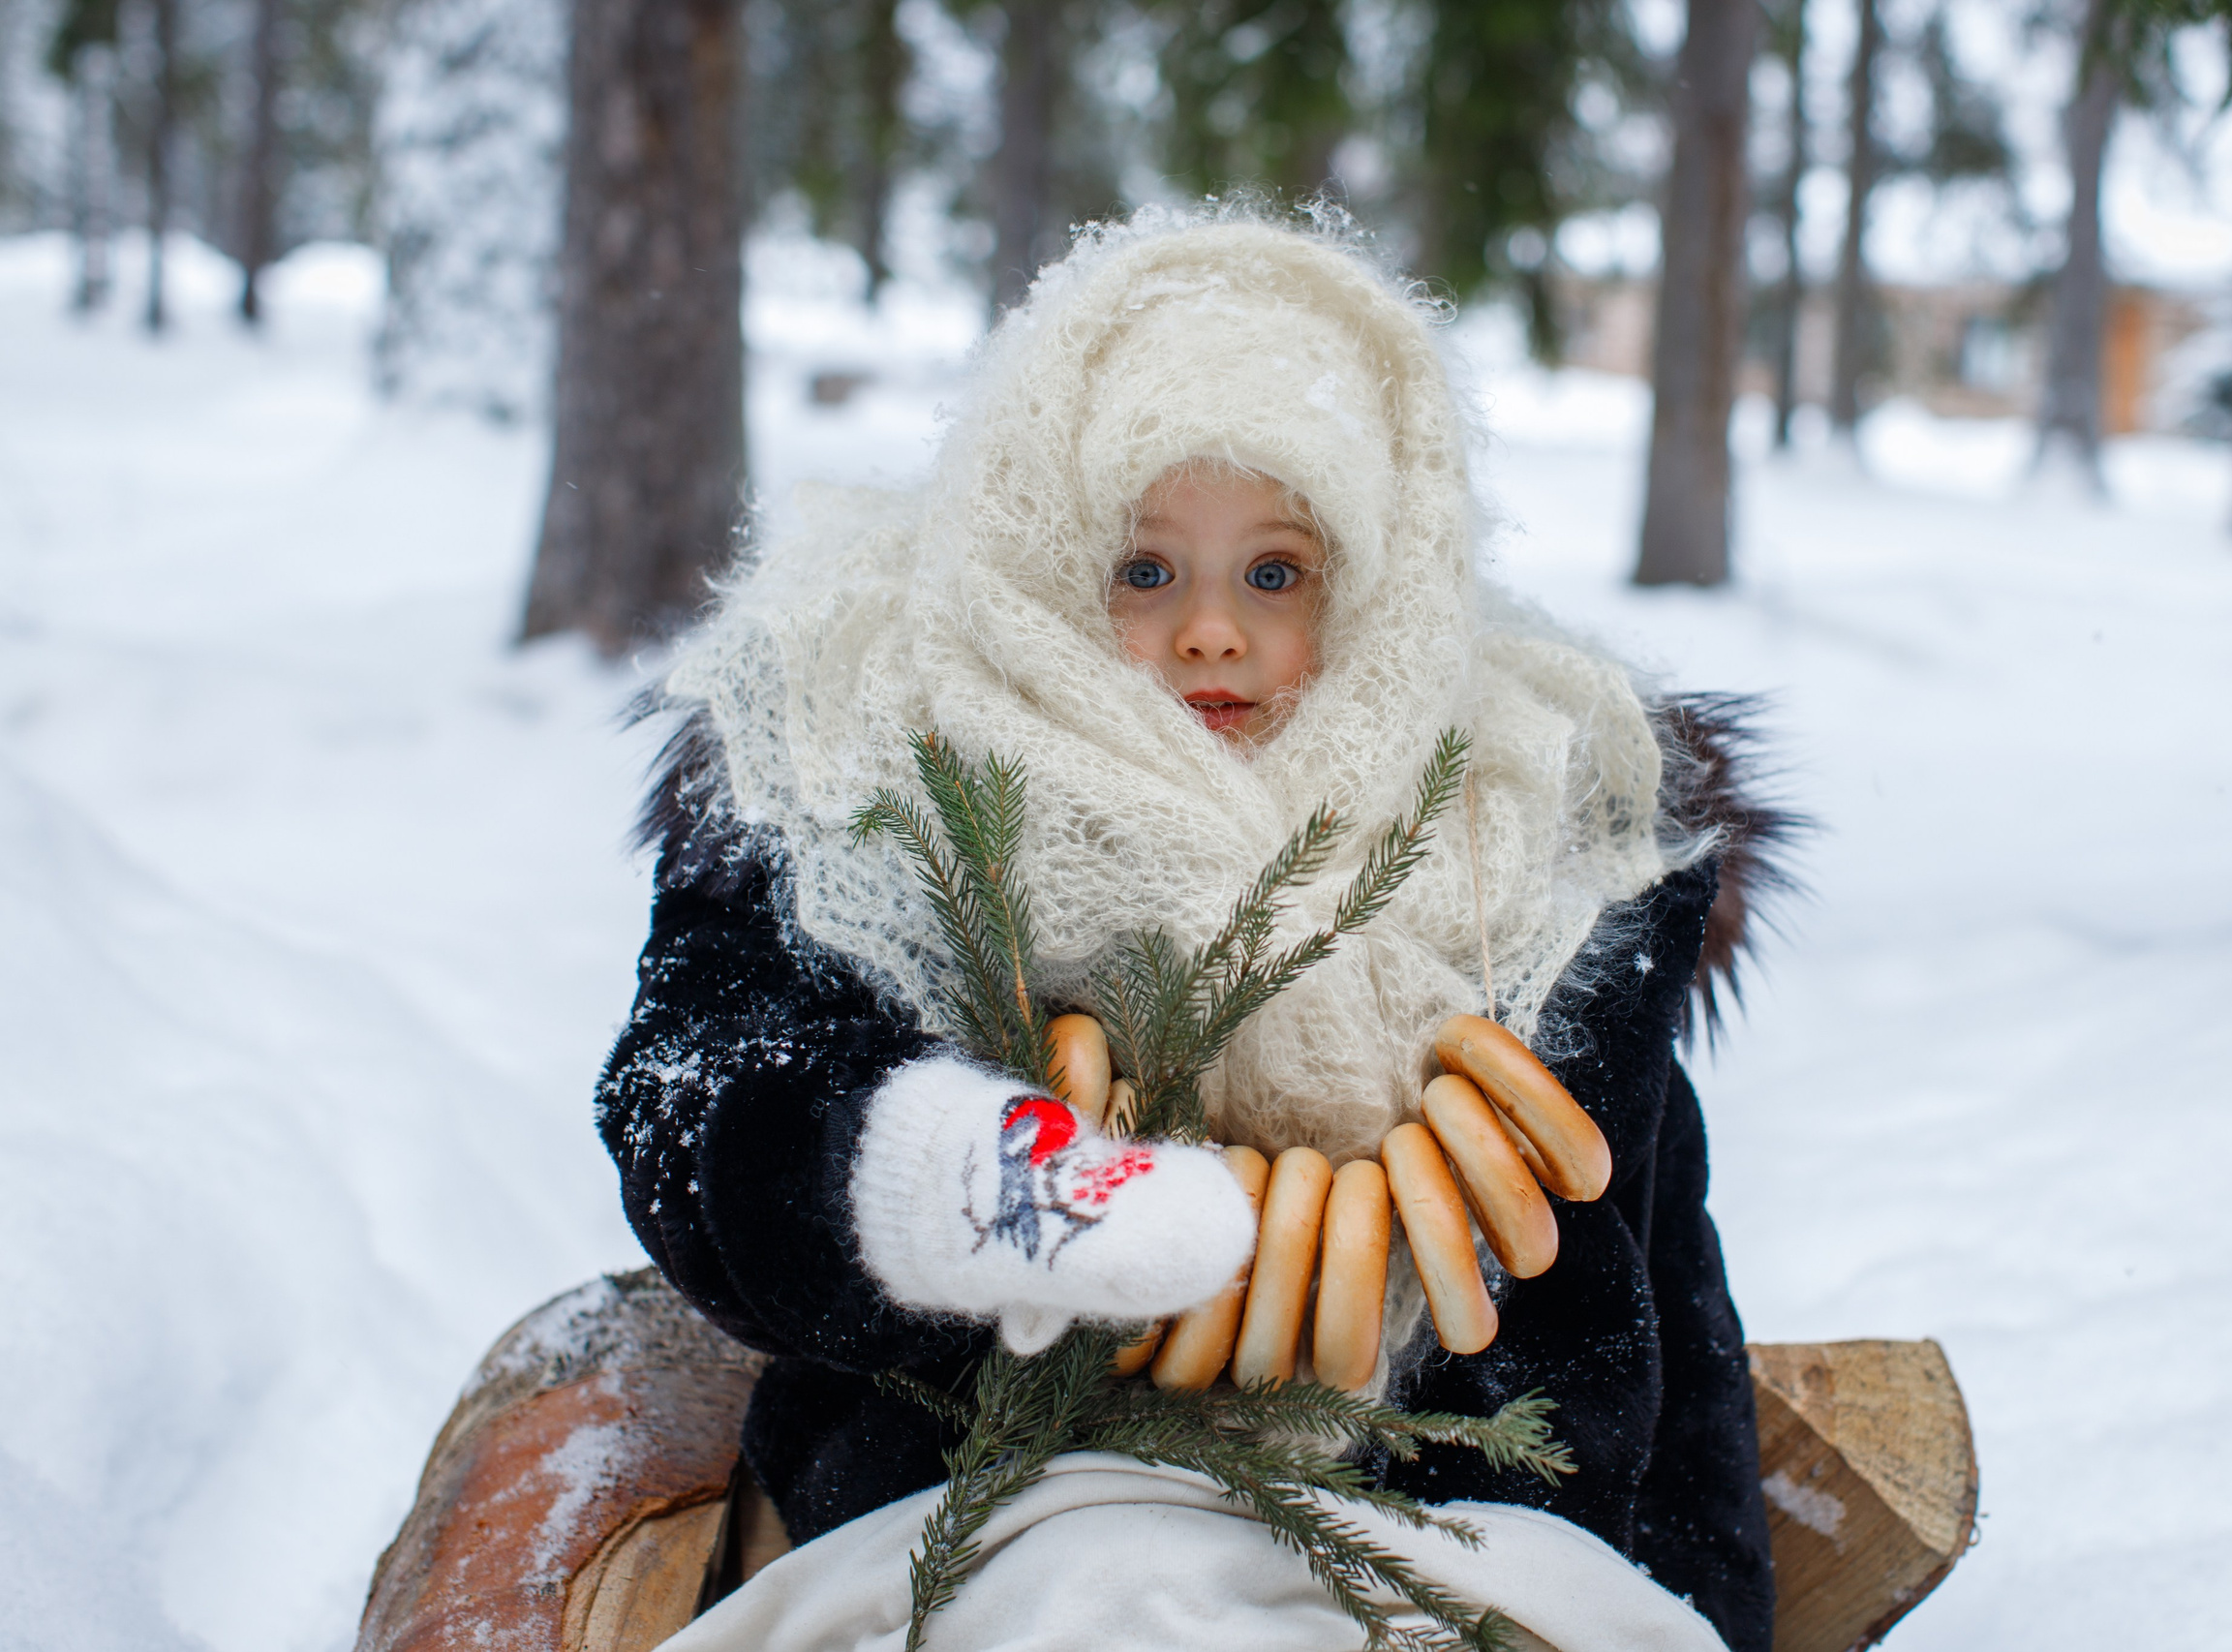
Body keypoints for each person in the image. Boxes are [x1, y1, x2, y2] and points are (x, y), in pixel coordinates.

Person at [598, 210, 1788, 1651]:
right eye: (1144, 570)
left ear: (1374, 580)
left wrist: (1703, 1599)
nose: (1210, 633)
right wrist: (929, 1177)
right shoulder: (875, 779)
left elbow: (1661, 1280)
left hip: (1454, 1551)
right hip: (992, 1526)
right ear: (1038, 547)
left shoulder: (1528, 839)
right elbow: (699, 1079)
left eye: (1275, 572)